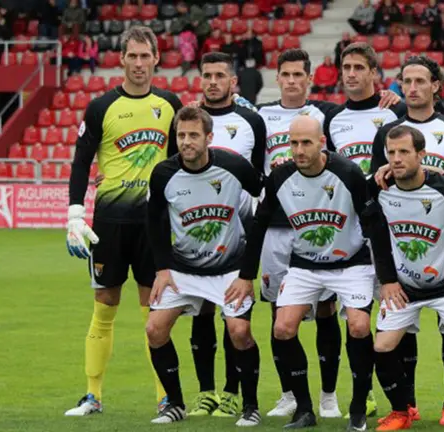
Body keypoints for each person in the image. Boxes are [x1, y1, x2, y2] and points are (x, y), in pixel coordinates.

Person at [255, 48, 400, 420]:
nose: (300, 148)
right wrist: (243, 277)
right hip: (300, 250)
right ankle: (302, 407)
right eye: (294, 143)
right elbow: (257, 221)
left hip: (349, 252)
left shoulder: (338, 135)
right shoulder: (272, 148)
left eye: (307, 142)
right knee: (283, 325)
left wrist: (393, 101)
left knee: (357, 323)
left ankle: (355, 404)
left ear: (322, 141)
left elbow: (365, 108)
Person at [64, 25, 183, 417]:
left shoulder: (169, 104)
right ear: (121, 59)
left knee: (156, 314)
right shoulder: (100, 107)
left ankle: (165, 398)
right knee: (104, 305)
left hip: (154, 225)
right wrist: (75, 213)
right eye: (131, 56)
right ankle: (92, 395)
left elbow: (184, 159)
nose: (137, 63)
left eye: (144, 56)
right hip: (110, 222)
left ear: (156, 59)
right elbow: (82, 162)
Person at [371, 54, 444, 427]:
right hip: (402, 249)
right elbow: (375, 190)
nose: (412, 88)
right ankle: (407, 404)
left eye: (420, 81)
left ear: (435, 86)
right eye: (406, 81)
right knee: (403, 329)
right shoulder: (387, 132)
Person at [144, 106, 264, 425]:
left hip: (230, 269)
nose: (186, 142)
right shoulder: (163, 174)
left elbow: (261, 206)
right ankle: (176, 404)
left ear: (209, 137)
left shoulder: (235, 167)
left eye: (194, 135)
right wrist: (162, 269)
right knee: (155, 330)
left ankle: (250, 405)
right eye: (181, 135)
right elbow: (154, 222)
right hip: (183, 269)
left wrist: (248, 272)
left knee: (239, 332)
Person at [181, 51, 268, 418]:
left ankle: (233, 392)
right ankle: (206, 392)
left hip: (239, 229)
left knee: (233, 315)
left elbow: (261, 176)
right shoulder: (187, 119)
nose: (212, 81)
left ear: (233, 82)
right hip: (196, 228)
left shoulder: (251, 120)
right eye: (207, 75)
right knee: (200, 312)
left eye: (220, 75)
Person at [324, 42, 406, 177]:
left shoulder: (396, 110)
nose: (351, 74)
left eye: (359, 68)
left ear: (373, 72)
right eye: (346, 67)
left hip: (388, 195)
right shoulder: (332, 117)